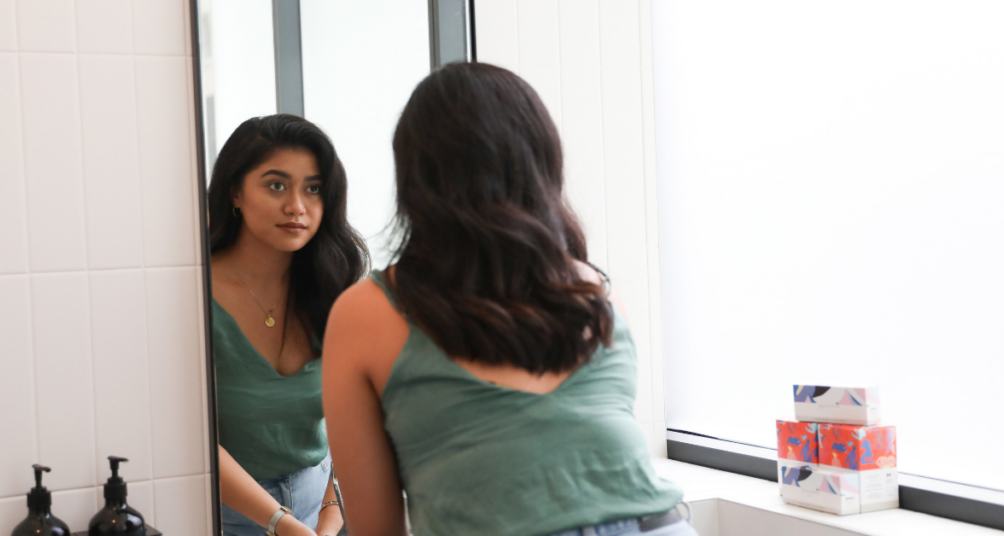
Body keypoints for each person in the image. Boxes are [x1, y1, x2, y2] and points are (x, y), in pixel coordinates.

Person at [320, 63, 694, 536]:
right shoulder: (595, 292)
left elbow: (376, 529)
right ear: (541, 163)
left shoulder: (365, 314)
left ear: (416, 178)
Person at [209, 114, 367, 536]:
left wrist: (332, 515)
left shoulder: (333, 288)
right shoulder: (193, 294)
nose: (297, 206)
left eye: (313, 189)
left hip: (324, 510)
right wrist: (282, 523)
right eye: (276, 185)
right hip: (224, 516)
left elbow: (354, 421)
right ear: (235, 193)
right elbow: (191, 438)